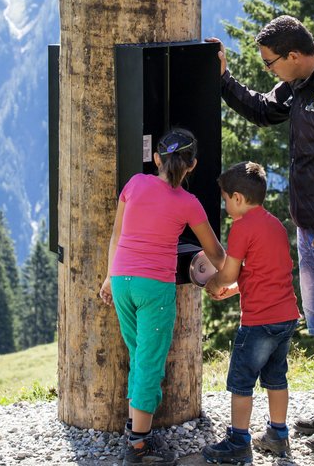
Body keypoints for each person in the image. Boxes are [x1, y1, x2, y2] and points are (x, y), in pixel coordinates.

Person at [206, 15, 314, 453]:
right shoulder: (303, 83)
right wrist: (224, 79)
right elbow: (264, 109)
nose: (270, 72)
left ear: (295, 55)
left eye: (270, 64)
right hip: (311, 226)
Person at [99, 128, 225, 466]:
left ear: (156, 159)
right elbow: (215, 252)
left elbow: (117, 234)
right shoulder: (189, 203)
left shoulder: (134, 184)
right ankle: (138, 447)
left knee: (141, 356)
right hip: (153, 287)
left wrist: (110, 277)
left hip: (122, 280)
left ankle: (137, 428)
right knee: (149, 363)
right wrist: (226, 279)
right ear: (192, 165)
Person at [201, 161, 300, 464]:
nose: (226, 205)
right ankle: (278, 436)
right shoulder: (276, 225)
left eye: (226, 199)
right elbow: (265, 274)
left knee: (242, 381)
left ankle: (238, 442)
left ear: (238, 199)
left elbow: (230, 273)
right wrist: (233, 290)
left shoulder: (242, 228)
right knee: (276, 377)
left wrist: (214, 283)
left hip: (258, 323)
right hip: (286, 317)